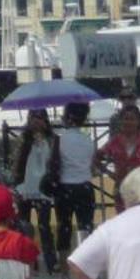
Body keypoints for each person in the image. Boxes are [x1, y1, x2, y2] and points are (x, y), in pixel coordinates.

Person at [51, 101, 98, 263]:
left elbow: (53, 164)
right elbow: (93, 168)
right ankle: (87, 266)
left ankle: (64, 273)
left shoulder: (60, 140)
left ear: (68, 118)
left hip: (65, 188)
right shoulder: (88, 141)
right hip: (85, 187)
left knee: (64, 228)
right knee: (86, 227)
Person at [12, 108, 59, 270]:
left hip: (44, 188)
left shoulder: (51, 139)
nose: (37, 122)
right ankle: (29, 261)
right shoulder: (23, 139)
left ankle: (50, 261)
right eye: (34, 118)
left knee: (44, 226)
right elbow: (16, 161)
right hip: (25, 187)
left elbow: (55, 161)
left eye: (40, 118)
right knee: (25, 226)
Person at [96, 104, 140, 209]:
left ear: (138, 121)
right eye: (125, 119)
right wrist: (110, 174)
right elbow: (95, 158)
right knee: (123, 219)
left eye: (132, 119)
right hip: (121, 187)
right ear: (120, 121)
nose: (128, 122)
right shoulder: (114, 141)